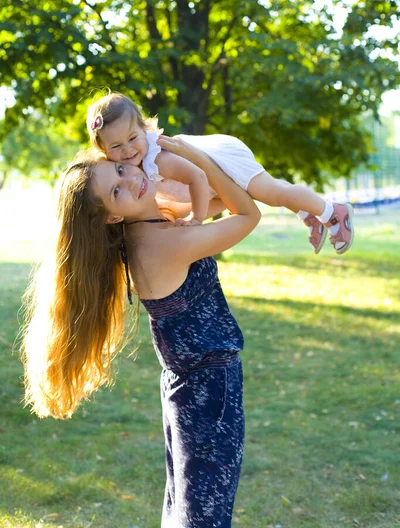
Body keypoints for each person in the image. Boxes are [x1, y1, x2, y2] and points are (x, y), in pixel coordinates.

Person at [22, 137, 261, 527]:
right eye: (117, 191)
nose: (131, 180)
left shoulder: (152, 225)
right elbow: (248, 215)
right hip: (208, 390)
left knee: (186, 508)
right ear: (112, 216)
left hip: (192, 385)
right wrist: (196, 159)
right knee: (203, 518)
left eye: (119, 170)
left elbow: (222, 200)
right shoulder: (162, 243)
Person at [86, 91, 354, 255]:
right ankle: (306, 211)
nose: (128, 150)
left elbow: (198, 178)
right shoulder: (134, 167)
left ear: (143, 127)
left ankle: (332, 211)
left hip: (220, 160)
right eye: (116, 146)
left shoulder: (158, 159)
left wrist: (196, 218)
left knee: (270, 193)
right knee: (260, 191)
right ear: (103, 150)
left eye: (133, 137)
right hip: (212, 172)